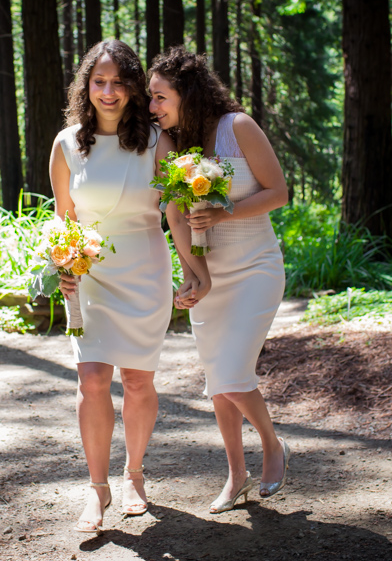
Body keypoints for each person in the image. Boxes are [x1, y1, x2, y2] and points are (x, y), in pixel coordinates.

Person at [148, 47, 290, 514]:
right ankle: (235, 474)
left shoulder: (239, 127)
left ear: (186, 93)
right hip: (210, 278)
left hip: (255, 270)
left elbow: (278, 193)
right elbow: (176, 217)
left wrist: (223, 208)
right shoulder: (176, 146)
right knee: (217, 382)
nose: (153, 107)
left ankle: (272, 446)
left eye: (160, 97)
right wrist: (193, 275)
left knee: (231, 374)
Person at [49, 40, 174, 533]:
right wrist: (63, 260)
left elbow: (180, 214)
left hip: (144, 267)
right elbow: (64, 218)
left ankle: (134, 474)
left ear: (134, 88)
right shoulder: (66, 143)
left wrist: (196, 268)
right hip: (90, 275)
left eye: (119, 82)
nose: (108, 91)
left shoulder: (155, 143)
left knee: (139, 381)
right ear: (86, 86)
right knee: (93, 380)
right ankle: (96, 489)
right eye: (99, 81)